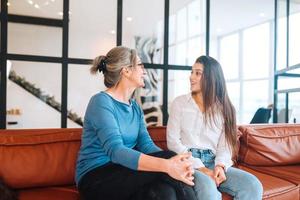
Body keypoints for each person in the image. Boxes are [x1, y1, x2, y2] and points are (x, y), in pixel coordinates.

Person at [75, 46, 197, 200]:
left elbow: (146, 145)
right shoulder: (101, 102)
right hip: (96, 177)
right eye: (140, 65)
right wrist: (167, 165)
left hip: (124, 171)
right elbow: (116, 151)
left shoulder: (135, 108)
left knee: (164, 192)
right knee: (168, 160)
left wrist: (175, 161)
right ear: (126, 71)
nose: (144, 71)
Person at [167, 55, 263, 200]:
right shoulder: (179, 103)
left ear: (211, 78)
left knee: (253, 185)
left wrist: (220, 166)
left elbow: (225, 145)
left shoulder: (225, 108)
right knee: (208, 188)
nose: (191, 77)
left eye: (197, 73)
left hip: (214, 160)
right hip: (187, 161)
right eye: (192, 72)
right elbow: (173, 142)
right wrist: (201, 167)